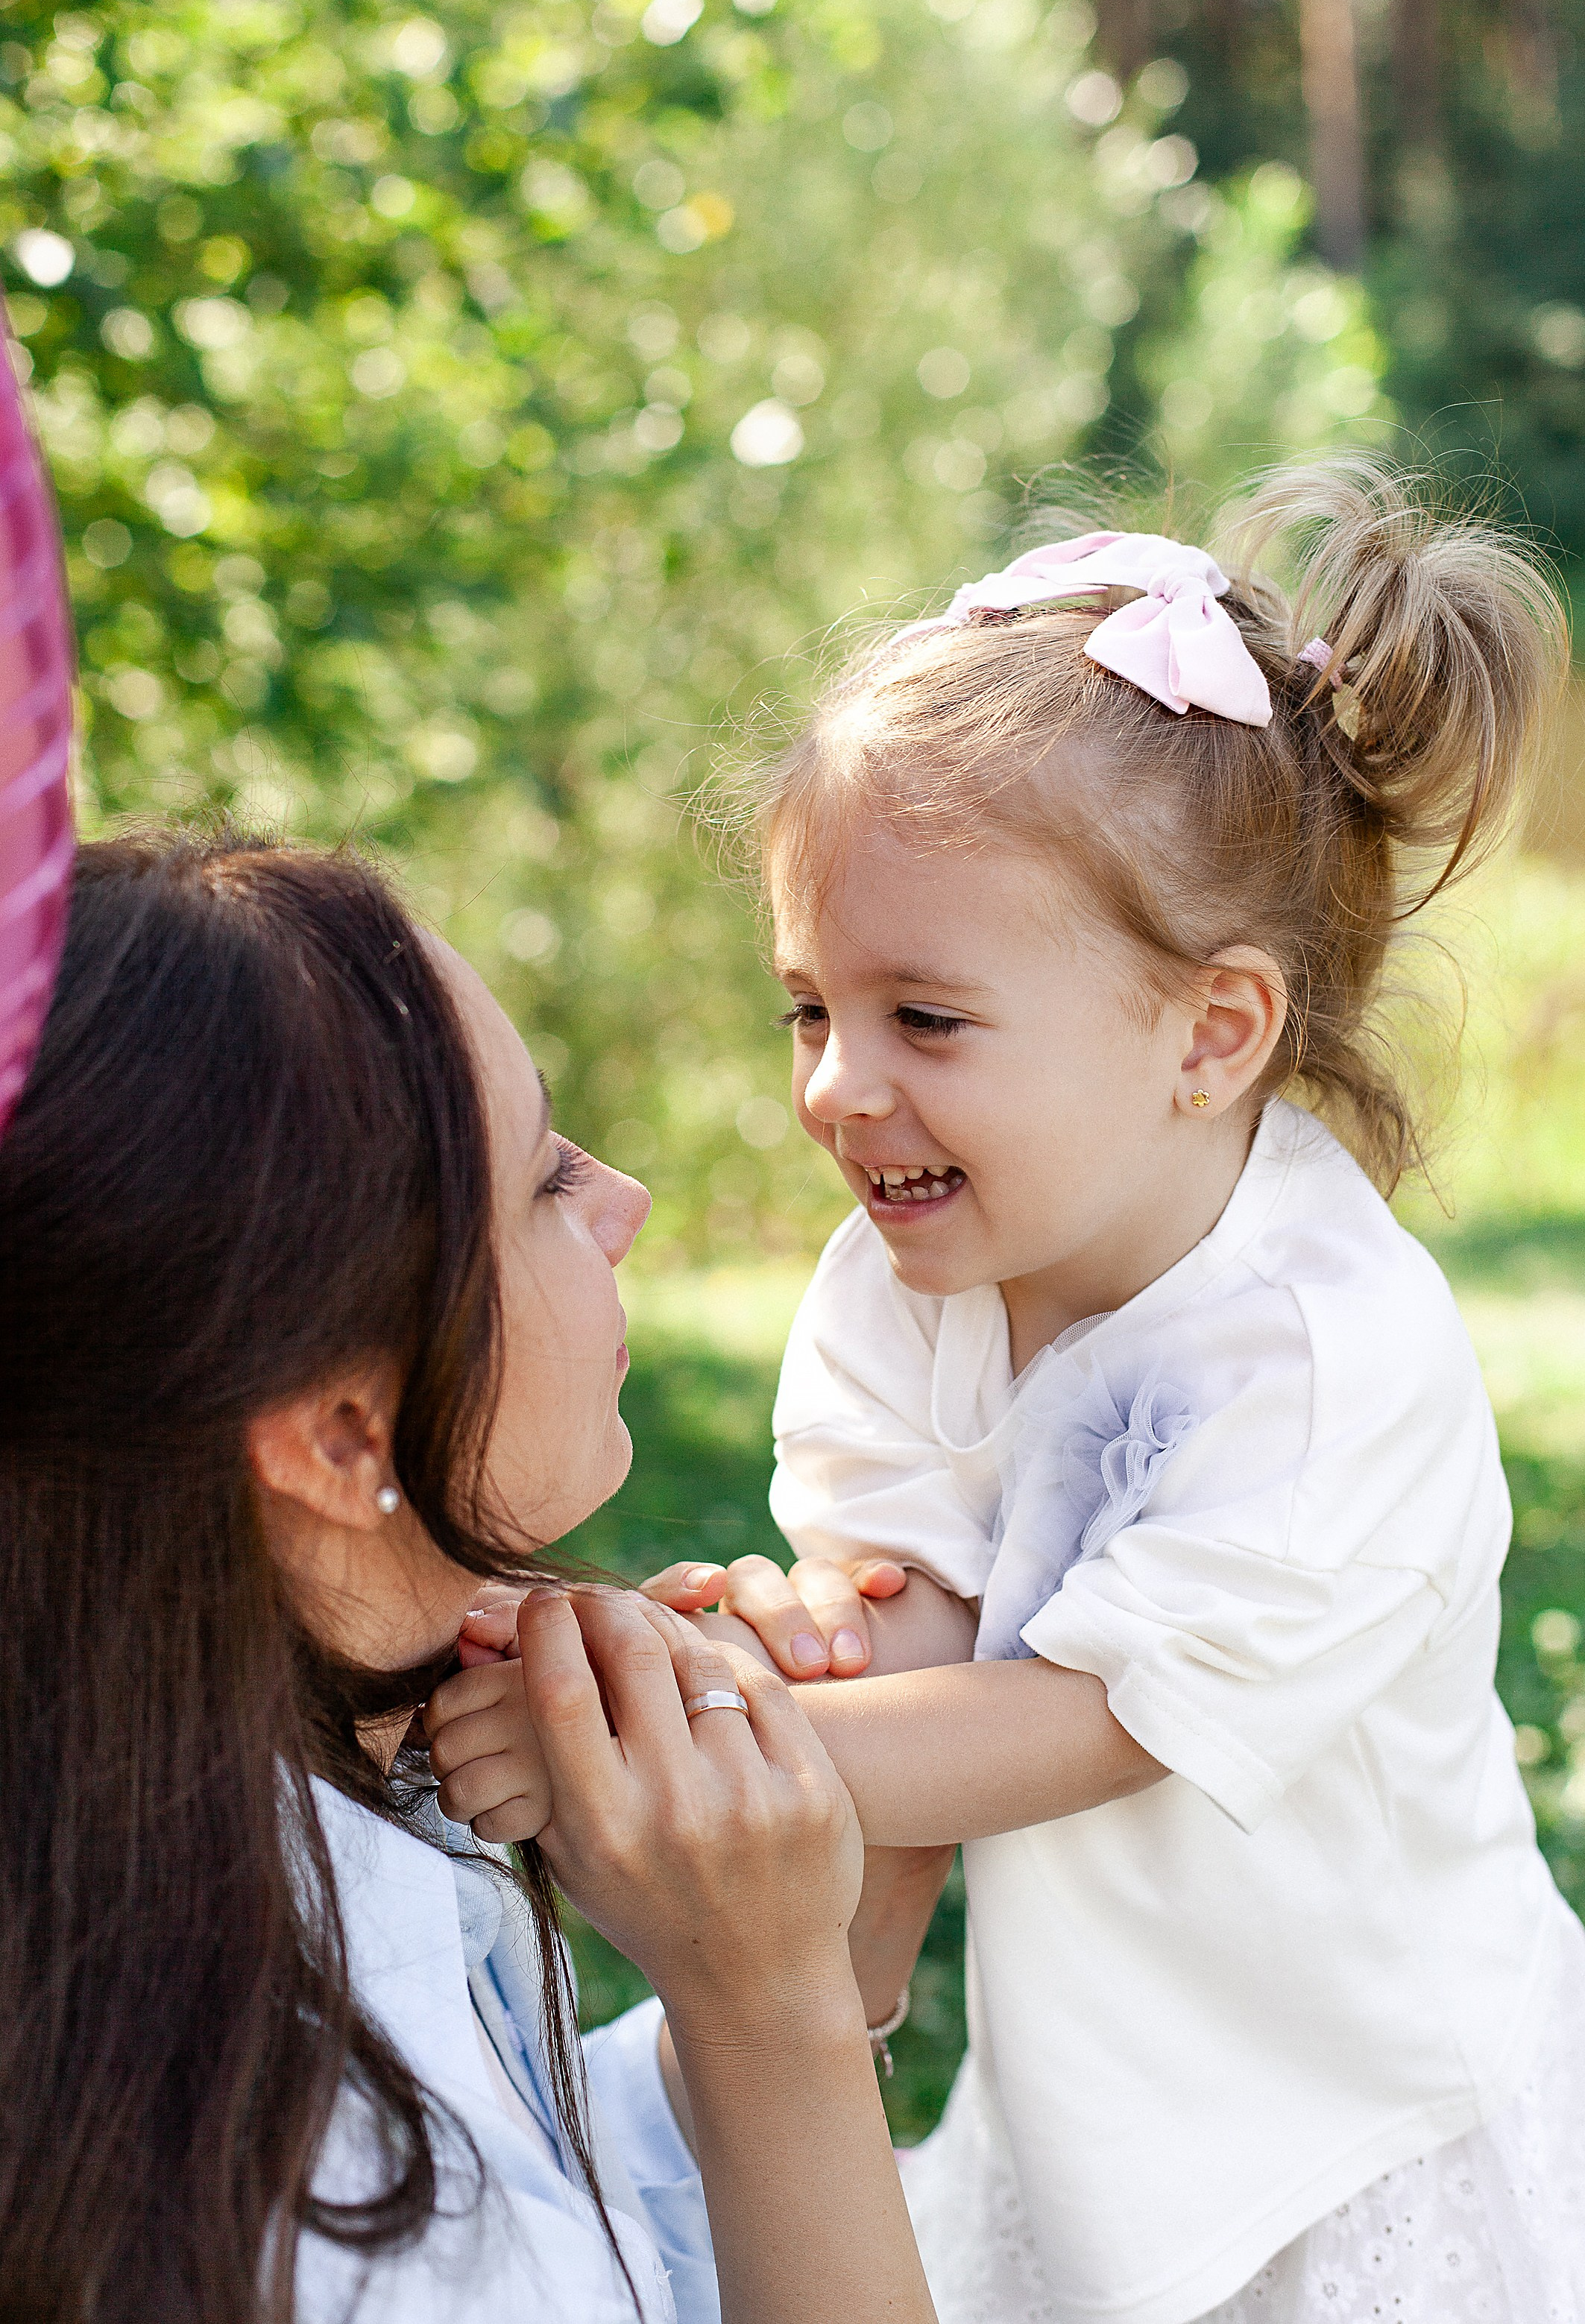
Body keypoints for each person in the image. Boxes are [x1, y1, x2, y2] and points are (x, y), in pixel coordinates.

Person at [441, 463, 1585, 2324]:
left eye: (925, 1019)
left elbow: (1085, 1722)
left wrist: (682, 1732)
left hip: (1357, 2134)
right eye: (812, 1007)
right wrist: (801, 1718)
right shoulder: (913, 1275)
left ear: (1210, 1034)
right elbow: (924, 1620)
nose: (832, 1088)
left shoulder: (1319, 1358)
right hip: (1096, 2101)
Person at [0, 827, 941, 2324]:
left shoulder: (194, 1848)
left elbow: (575, 2197)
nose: (621, 1197)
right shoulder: (316, 2190)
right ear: (336, 1427)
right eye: (543, 1177)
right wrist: (776, 2030)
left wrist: (820, 1931)